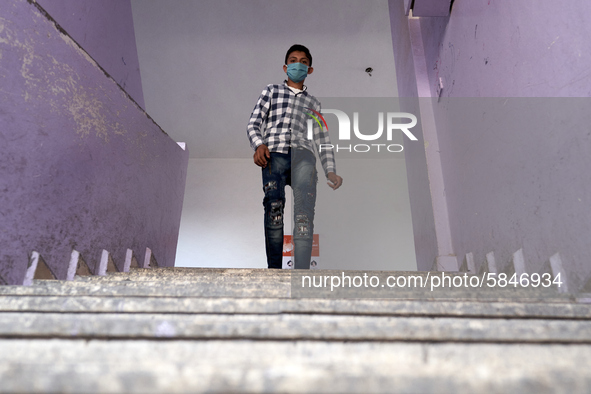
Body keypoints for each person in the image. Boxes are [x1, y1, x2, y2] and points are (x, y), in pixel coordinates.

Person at [247, 44, 343, 269]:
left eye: (303, 61)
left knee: (303, 216)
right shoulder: (271, 91)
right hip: (275, 154)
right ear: (285, 66)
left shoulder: (314, 103)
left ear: (309, 69)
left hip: (304, 157)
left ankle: (301, 274)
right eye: (293, 60)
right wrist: (259, 144)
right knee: (274, 209)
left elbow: (322, 138)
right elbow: (253, 122)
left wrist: (330, 170)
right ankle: (274, 271)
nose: (297, 64)